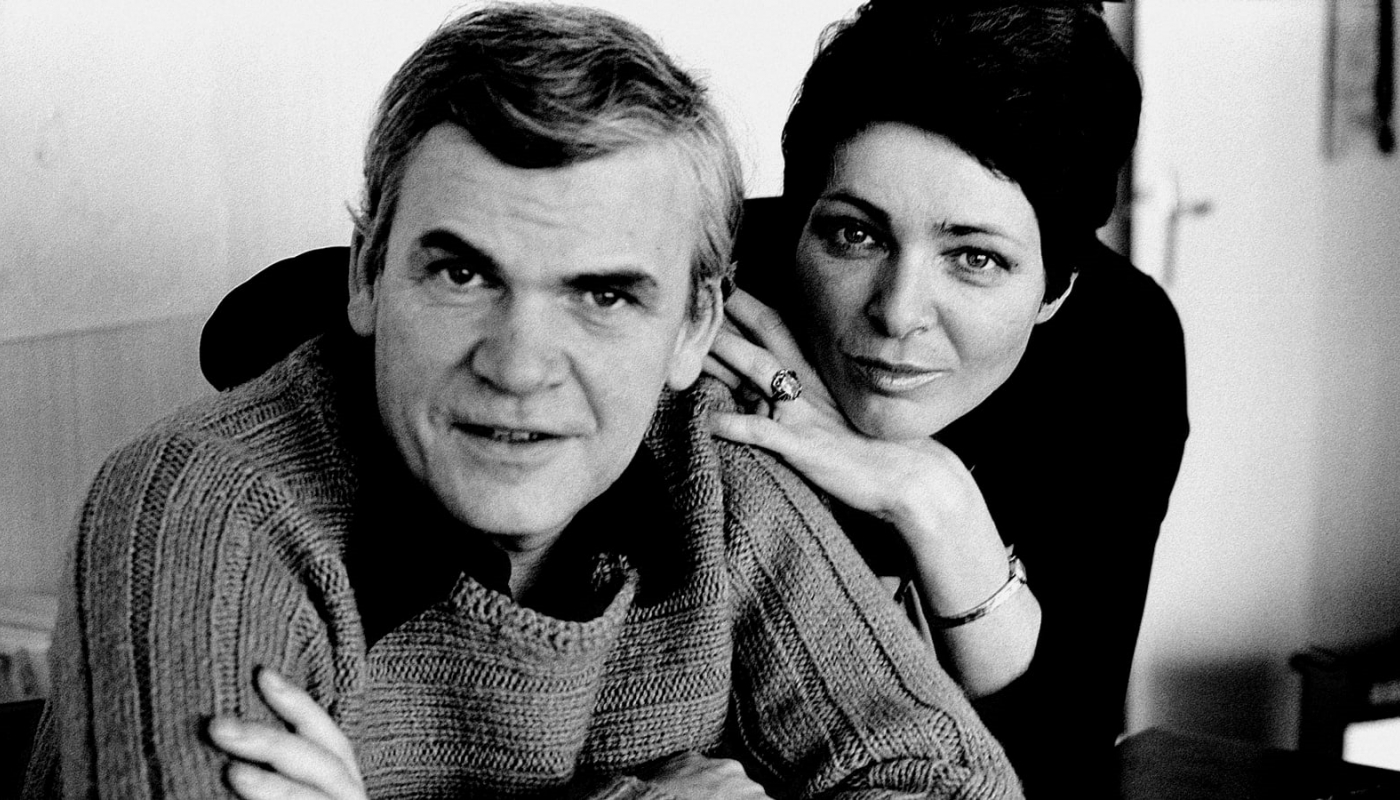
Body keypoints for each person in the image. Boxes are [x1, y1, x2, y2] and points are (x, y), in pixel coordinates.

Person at [22, 3, 1022, 799]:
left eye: (603, 295)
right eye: (462, 273)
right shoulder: (200, 503)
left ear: (691, 328)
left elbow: (950, 781)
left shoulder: (715, 470)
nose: (518, 366)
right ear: (368, 274)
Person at [711, 2, 1187, 796]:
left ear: (1056, 289)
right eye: (855, 234)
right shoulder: (716, 291)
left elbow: (1059, 759)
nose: (898, 312)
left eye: (974, 258)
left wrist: (935, 502)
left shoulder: (1117, 346)